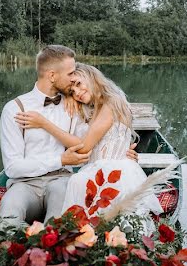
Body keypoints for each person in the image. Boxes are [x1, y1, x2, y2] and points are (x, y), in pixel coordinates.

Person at [14, 63, 161, 217]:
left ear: (92, 78)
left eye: (78, 84)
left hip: (114, 172)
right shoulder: (92, 108)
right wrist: (68, 97)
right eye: (72, 91)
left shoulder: (112, 103)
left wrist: (44, 123)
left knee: (77, 184)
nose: (77, 92)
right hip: (97, 169)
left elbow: (84, 148)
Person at [0, 45, 91, 225]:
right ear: (52, 75)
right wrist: (60, 160)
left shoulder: (74, 105)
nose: (74, 79)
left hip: (61, 179)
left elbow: (84, 147)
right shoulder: (14, 109)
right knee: (8, 216)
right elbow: (13, 168)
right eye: (71, 73)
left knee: (57, 223)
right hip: (25, 184)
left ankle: (49, 247)